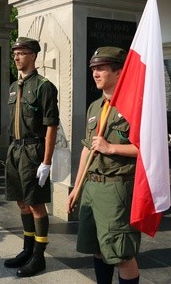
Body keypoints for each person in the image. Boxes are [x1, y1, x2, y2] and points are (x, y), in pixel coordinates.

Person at [67, 47, 140, 284]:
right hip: (91, 187)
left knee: (121, 254)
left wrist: (112, 148)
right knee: (97, 247)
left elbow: (149, 150)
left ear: (119, 72)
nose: (95, 73)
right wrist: (76, 188)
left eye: (101, 68)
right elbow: (88, 149)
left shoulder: (135, 106)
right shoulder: (95, 107)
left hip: (116, 189)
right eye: (93, 69)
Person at [3, 37, 60, 277]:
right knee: (21, 201)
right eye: (15, 53)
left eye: (22, 53)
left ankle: (39, 256)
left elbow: (51, 126)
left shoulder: (43, 86)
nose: (16, 57)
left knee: (36, 204)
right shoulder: (14, 87)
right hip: (15, 150)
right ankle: (27, 249)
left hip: (33, 150)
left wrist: (46, 161)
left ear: (33, 56)